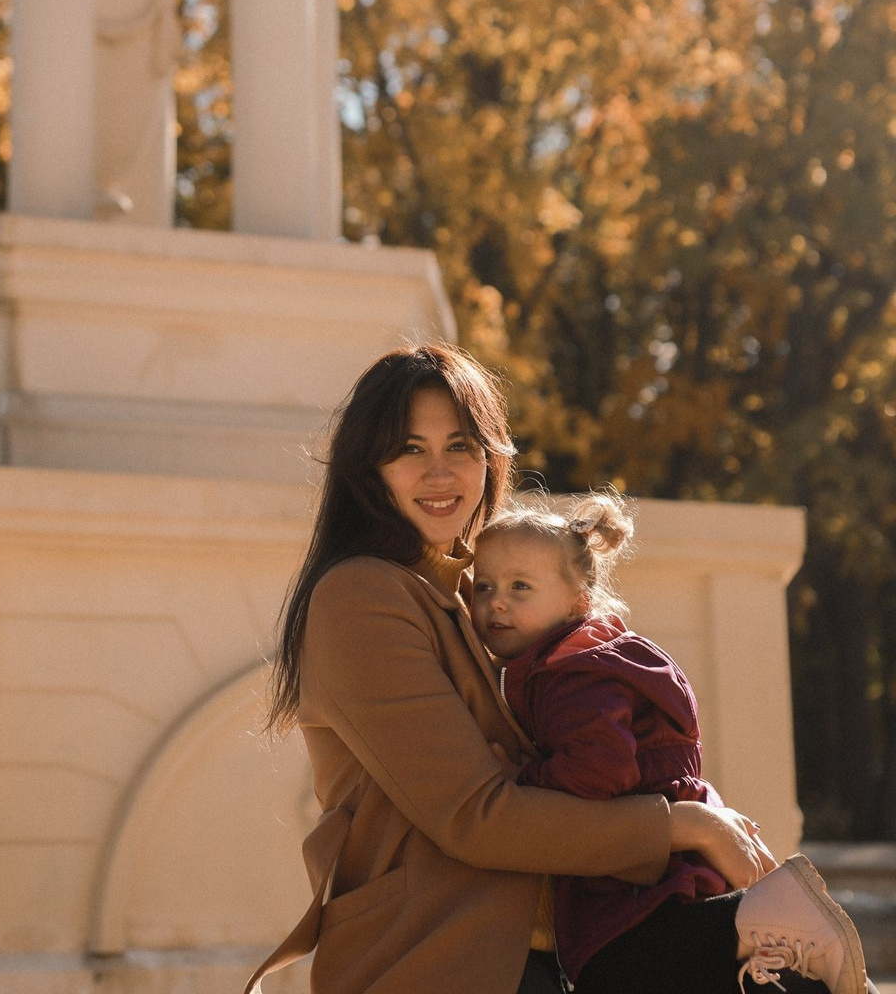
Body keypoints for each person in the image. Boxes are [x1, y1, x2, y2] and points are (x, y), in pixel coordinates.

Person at [245, 342, 787, 994]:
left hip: (531, 959)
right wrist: (681, 828)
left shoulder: (469, 596)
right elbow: (479, 816)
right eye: (410, 449)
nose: (440, 473)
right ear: (371, 469)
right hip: (429, 962)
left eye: (461, 447)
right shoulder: (360, 597)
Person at [470, 491, 868, 994]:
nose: (496, 601)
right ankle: (777, 957)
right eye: (483, 586)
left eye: (520, 586)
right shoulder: (592, 656)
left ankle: (754, 921)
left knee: (611, 960)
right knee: (680, 965)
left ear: (578, 602)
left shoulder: (567, 676)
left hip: (637, 861)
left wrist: (522, 779)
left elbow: (598, 771)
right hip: (661, 843)